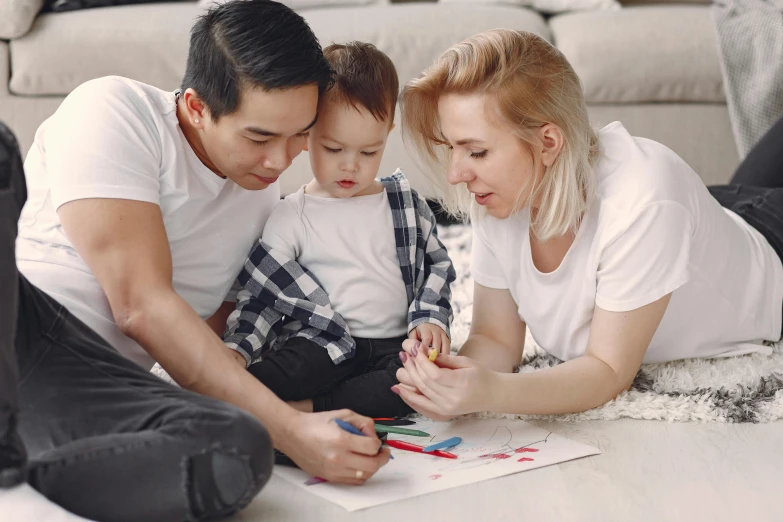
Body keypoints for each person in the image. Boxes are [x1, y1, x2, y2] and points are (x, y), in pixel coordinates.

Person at [3, 2, 388, 521]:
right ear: (196, 106)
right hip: (23, 326)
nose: (279, 161)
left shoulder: (265, 203)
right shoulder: (114, 110)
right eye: (258, 137)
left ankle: (20, 480)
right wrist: (293, 431)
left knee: (237, 446)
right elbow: (140, 305)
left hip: (97, 389)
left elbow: (210, 335)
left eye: (299, 134)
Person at [392, 29, 783, 420]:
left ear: (548, 143)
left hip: (771, 238)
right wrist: (447, 379)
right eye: (452, 148)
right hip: (711, 217)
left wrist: (492, 392)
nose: (457, 173)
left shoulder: (644, 204)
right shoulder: (499, 193)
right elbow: (494, 338)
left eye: (476, 151)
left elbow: (608, 371)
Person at [222, 42, 456, 418]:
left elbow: (437, 267)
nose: (351, 167)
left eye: (368, 152)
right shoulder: (291, 215)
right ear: (308, 132)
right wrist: (239, 348)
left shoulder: (404, 203)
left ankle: (314, 408)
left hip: (392, 345)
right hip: (322, 342)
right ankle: (275, 401)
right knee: (266, 377)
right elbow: (261, 297)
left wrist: (429, 318)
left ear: (387, 133)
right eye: (333, 149)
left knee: (416, 386)